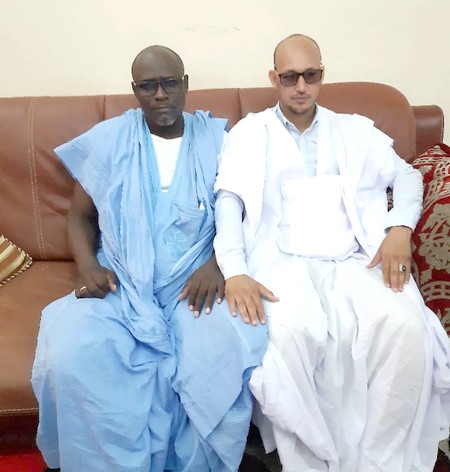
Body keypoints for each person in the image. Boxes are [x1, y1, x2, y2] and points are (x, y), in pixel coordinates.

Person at [213, 34, 450, 472]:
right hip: (280, 262)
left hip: (354, 256)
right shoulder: (250, 133)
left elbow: (407, 176)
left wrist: (400, 228)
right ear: (274, 79)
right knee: (288, 335)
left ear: (322, 74)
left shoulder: (353, 130)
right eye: (290, 77)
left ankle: (380, 460)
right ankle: (312, 460)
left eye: (311, 75)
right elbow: (228, 203)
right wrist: (235, 271)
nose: (301, 86)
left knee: (403, 326)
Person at [31, 45, 267, 472]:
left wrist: (218, 265)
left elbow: (247, 214)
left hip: (196, 285)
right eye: (148, 86)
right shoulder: (109, 140)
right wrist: (88, 267)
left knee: (226, 348)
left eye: (170, 83)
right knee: (68, 351)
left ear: (186, 84)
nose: (160, 95)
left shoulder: (220, 140)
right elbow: (80, 216)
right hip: (121, 285)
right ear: (135, 90)